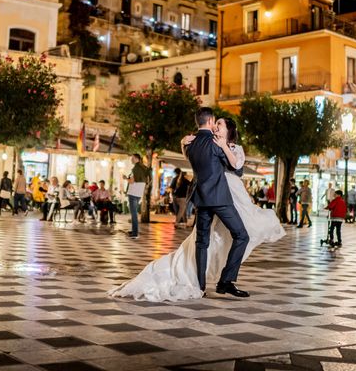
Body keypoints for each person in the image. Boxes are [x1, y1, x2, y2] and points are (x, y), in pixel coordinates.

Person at [111, 113, 284, 302]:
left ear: (229, 130)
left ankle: (211, 283)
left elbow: (236, 166)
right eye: (215, 122)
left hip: (218, 197)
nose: (217, 125)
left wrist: (194, 144)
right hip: (219, 197)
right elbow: (220, 163)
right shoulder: (213, 144)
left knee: (216, 239)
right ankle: (217, 283)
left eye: (220, 124)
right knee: (221, 238)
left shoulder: (217, 146)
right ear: (209, 122)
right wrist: (191, 144)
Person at [126, 153, 150, 239]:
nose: (131, 160)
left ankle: (135, 233)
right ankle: (134, 231)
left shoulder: (135, 168)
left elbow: (132, 181)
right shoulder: (144, 168)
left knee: (134, 214)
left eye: (132, 158)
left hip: (133, 192)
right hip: (139, 193)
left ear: (137, 159)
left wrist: (125, 178)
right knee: (134, 213)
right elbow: (147, 180)